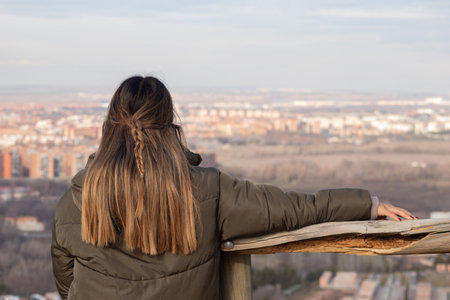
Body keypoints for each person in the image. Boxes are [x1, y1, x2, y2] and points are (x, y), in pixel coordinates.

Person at [51, 75, 416, 300]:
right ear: (168, 126)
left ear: (110, 127)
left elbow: (66, 277)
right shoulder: (207, 192)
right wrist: (367, 205)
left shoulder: (81, 197)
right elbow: (294, 209)